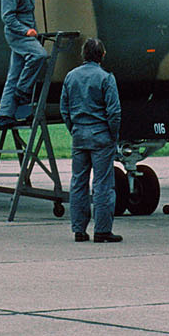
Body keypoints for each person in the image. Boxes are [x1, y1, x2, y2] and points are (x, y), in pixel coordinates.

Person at [60, 37, 124, 242]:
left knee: (78, 182)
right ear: (102, 55)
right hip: (101, 136)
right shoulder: (106, 78)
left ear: (83, 55)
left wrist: (74, 129)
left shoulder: (71, 77)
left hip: (79, 135)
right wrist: (112, 136)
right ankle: (102, 230)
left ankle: (79, 230)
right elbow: (114, 112)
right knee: (103, 184)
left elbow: (64, 108)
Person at [0, 0, 51, 128]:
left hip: (27, 32)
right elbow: (8, 17)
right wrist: (25, 31)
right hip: (19, 34)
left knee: (14, 74)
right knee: (39, 55)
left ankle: (5, 115)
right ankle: (22, 91)